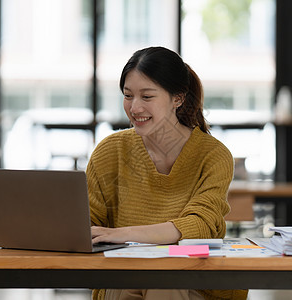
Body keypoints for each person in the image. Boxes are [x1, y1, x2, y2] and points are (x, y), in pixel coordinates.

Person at [86, 46, 247, 300]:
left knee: (163, 281)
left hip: (195, 282)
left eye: (147, 97)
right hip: (124, 276)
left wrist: (123, 233)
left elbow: (200, 225)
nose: (134, 107)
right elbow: (86, 225)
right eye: (128, 96)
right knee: (132, 284)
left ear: (178, 98)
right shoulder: (110, 151)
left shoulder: (213, 155)